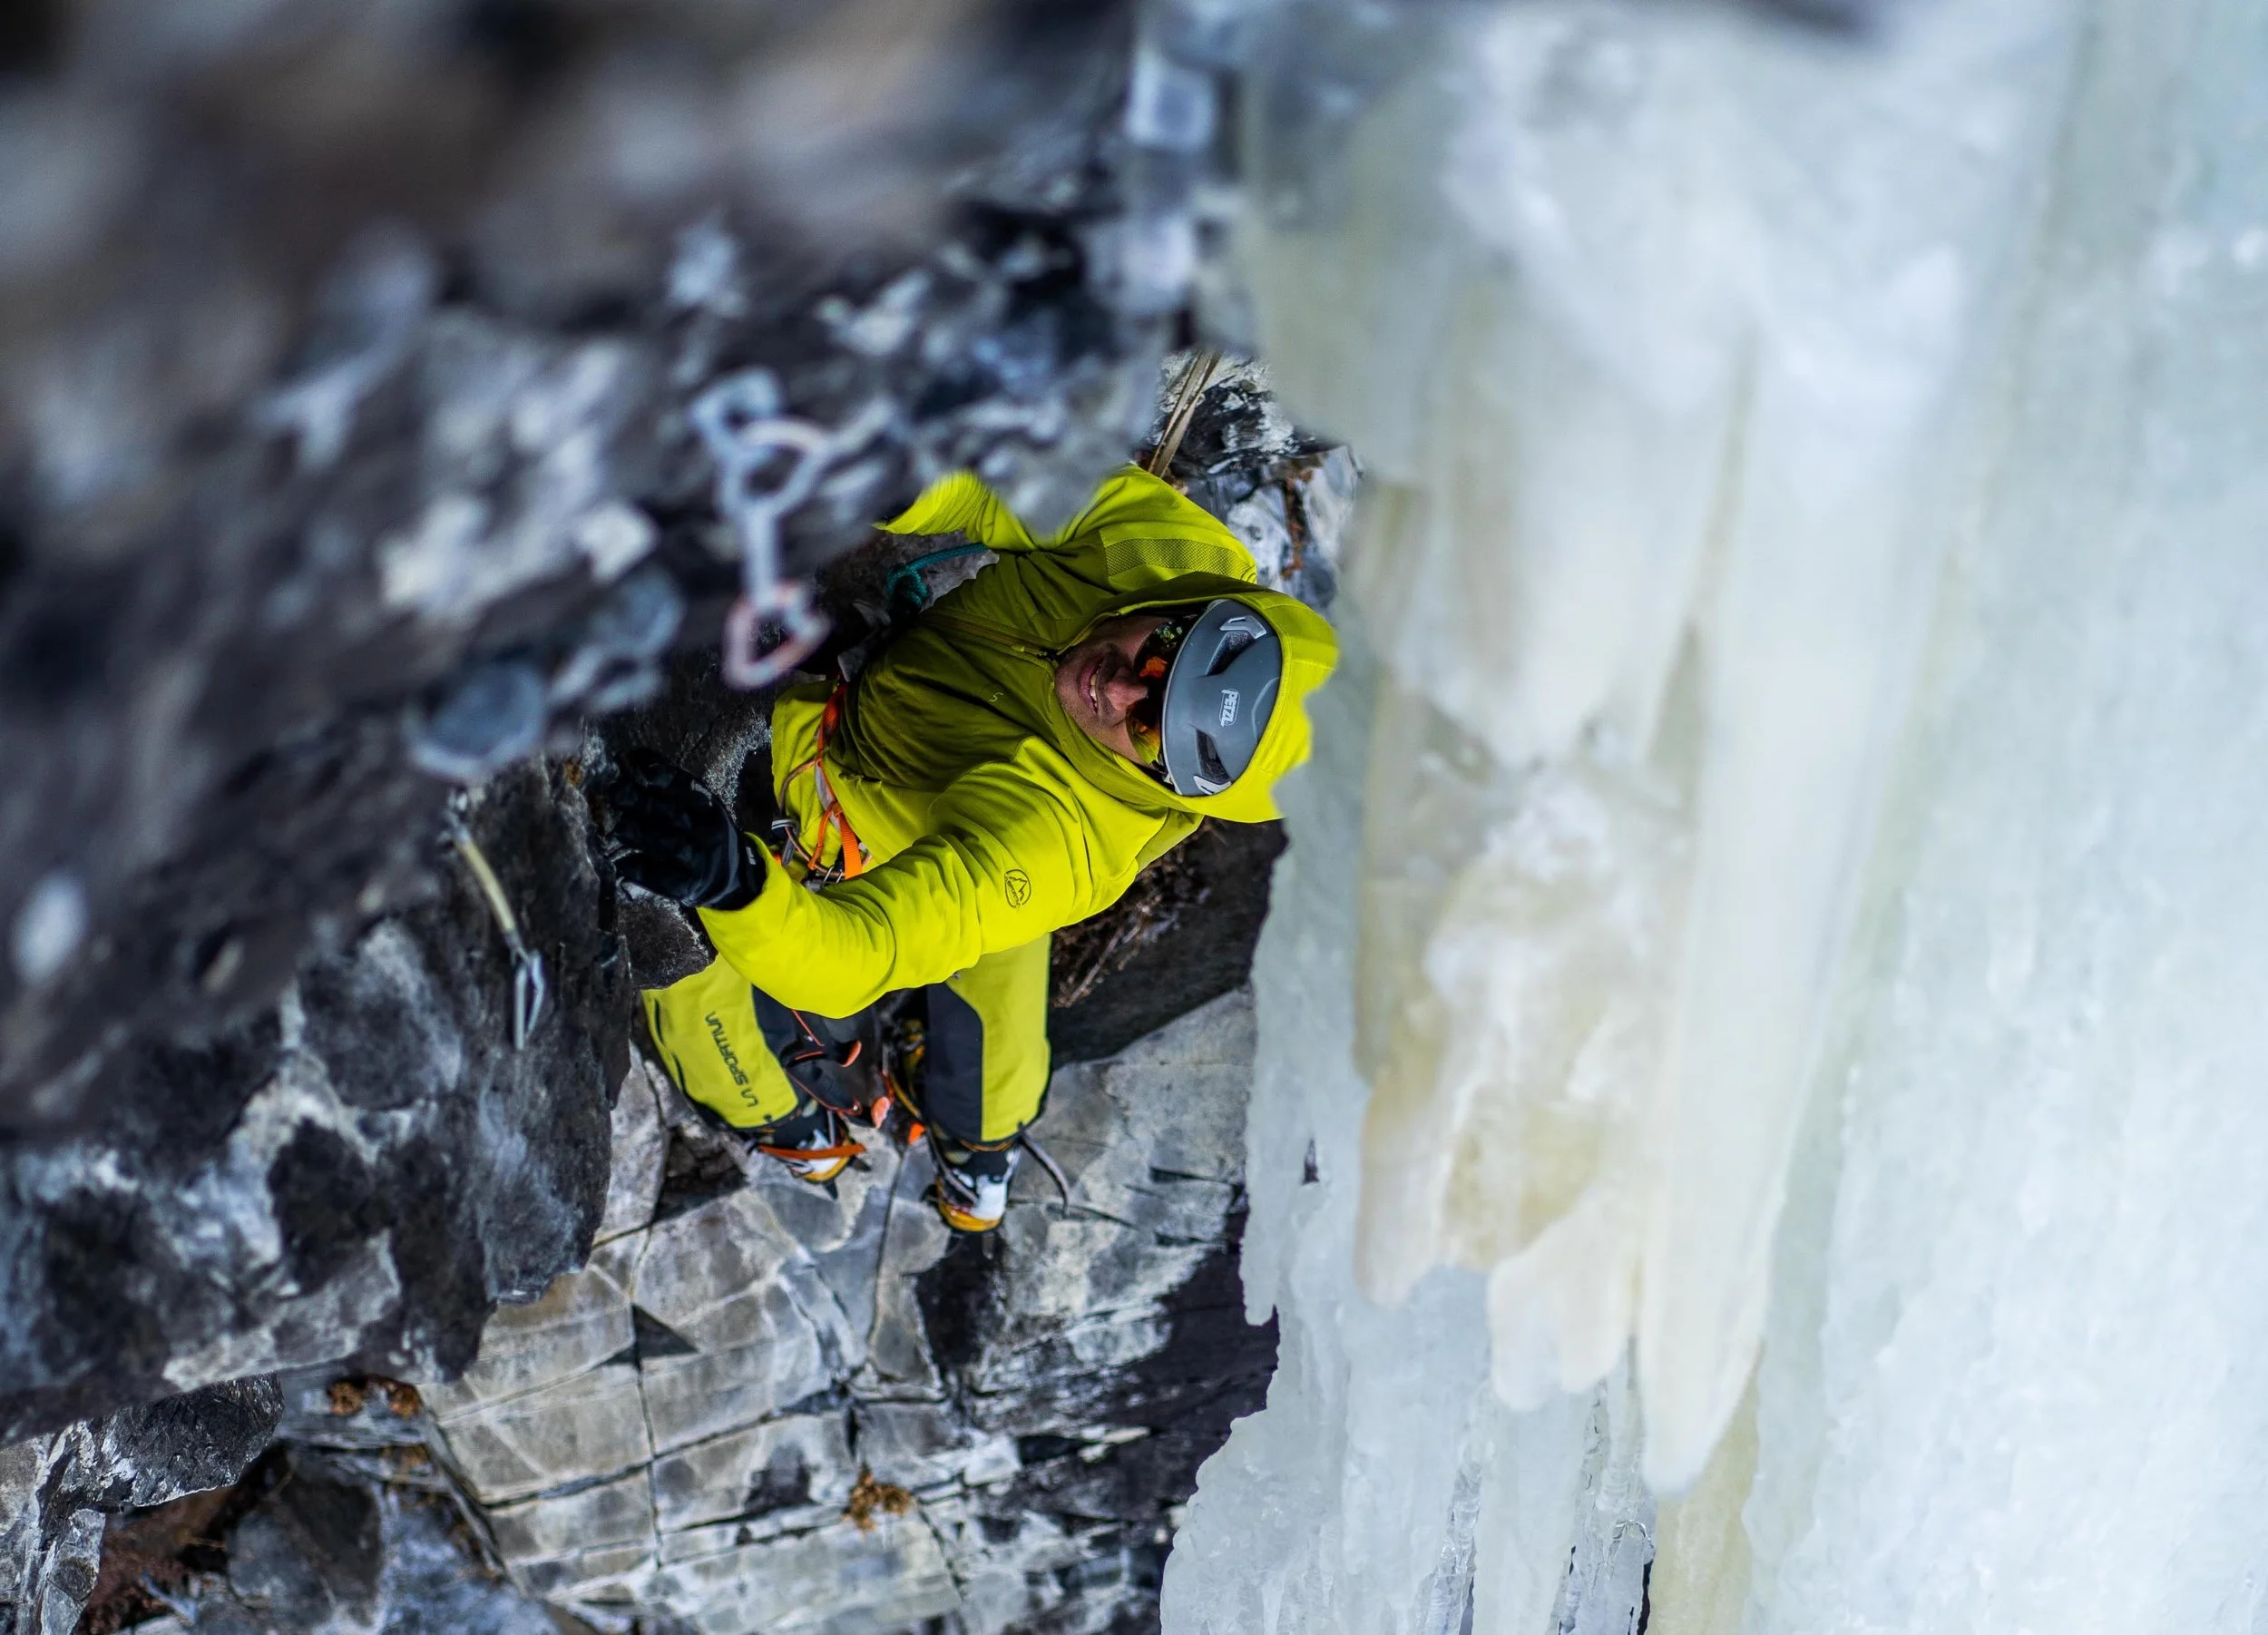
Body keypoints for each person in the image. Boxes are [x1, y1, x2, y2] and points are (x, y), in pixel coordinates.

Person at [604, 465, 1337, 1231]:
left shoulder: (1055, 842)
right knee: (1003, 946)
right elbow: (994, 484)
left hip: (838, 810)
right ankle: (983, 1134)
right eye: (1161, 656)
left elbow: (859, 953)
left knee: (687, 956)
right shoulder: (1172, 549)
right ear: (1200, 607)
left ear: (1175, 789)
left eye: (1149, 728)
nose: (1115, 690)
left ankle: (788, 1122)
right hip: (890, 706)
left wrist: (735, 884)